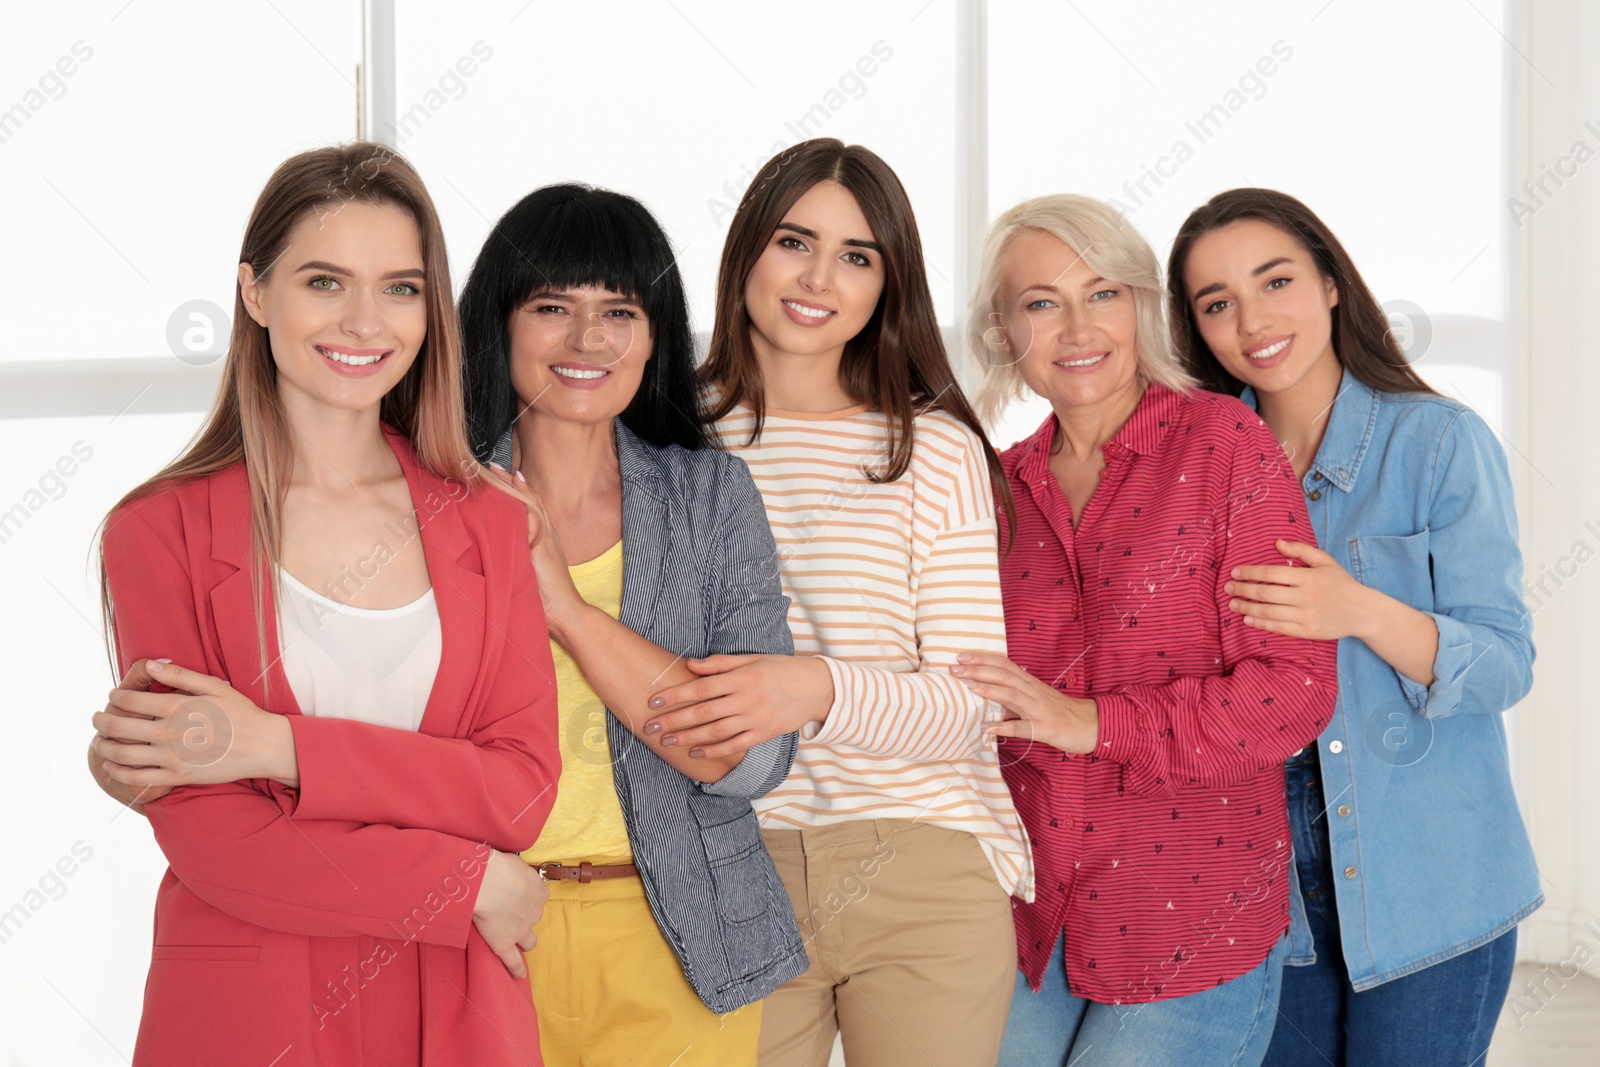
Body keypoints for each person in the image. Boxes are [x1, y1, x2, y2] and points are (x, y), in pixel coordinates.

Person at [87, 143, 559, 1066]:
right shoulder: (157, 531)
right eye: (323, 280)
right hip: (251, 1006)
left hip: (455, 1008)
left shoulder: (491, 522)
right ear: (255, 294)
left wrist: (276, 746)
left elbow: (519, 791)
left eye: (400, 287)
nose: (363, 320)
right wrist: (461, 880)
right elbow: (215, 837)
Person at [642, 138, 1031, 1066]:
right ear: (747, 252)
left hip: (924, 866)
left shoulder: (930, 450)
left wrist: (812, 689)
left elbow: (974, 704)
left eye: (857, 256)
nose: (819, 277)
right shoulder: (661, 438)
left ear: (886, 286)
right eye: (794, 241)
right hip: (731, 864)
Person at [959, 193, 1338, 1067]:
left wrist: (1092, 721)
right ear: (1003, 330)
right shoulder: (995, 490)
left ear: (1140, 306)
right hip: (1033, 911)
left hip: (1194, 914)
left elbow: (1293, 693)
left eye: (1103, 293)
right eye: (1042, 303)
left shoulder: (1226, 446)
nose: (1077, 327)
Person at [1168, 187, 1539, 1067]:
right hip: (1267, 904)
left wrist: (1361, 611)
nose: (1252, 319)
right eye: (1217, 303)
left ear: (1332, 283)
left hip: (1432, 890)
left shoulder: (1440, 443)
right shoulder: (1200, 475)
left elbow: (1505, 664)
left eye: (1276, 281)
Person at [456, 182, 806, 1066]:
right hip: (483, 924)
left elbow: (750, 758)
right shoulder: (435, 499)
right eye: (551, 307)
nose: (589, 340)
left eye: (620, 309)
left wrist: (566, 612)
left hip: (683, 935)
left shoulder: (709, 496)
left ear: (654, 334)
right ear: (498, 323)